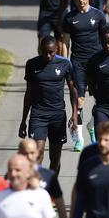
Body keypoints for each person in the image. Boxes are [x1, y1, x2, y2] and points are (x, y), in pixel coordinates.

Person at [19, 35, 78, 174]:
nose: (48, 55)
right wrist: (23, 121)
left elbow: (73, 89)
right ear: (40, 50)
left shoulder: (65, 64)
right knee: (37, 155)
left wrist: (75, 114)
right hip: (38, 115)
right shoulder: (32, 64)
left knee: (55, 159)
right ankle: (37, 188)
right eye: (45, 52)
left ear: (56, 49)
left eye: (51, 52)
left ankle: (51, 188)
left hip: (57, 116)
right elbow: (29, 93)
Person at [62, 0, 107, 151]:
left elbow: (105, 41)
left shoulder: (99, 16)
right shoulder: (69, 18)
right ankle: (79, 139)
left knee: (101, 101)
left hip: (96, 63)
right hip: (77, 63)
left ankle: (92, 125)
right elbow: (65, 42)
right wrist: (65, 62)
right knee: (79, 101)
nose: (81, 0)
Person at [18, 139, 71, 218]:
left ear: (38, 153)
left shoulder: (49, 176)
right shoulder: (12, 176)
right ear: (19, 153)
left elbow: (60, 206)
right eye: (24, 153)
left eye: (31, 153)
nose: (28, 156)